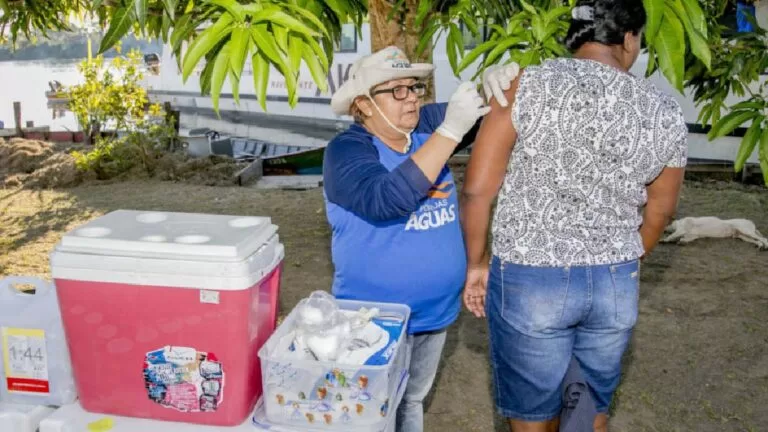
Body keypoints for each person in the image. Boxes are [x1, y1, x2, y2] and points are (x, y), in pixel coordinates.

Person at [459, 0, 688, 430]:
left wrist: (476, 263)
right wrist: (628, 259)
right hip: (613, 281)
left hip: (530, 277)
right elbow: (660, 209)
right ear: (629, 38)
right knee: (587, 410)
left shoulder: (524, 86)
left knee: (532, 415)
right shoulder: (664, 111)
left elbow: (476, 190)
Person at [323, 46, 519, 432]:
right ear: (363, 104)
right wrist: (449, 132)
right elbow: (386, 200)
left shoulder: (420, 128)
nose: (411, 97)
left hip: (433, 314)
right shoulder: (346, 151)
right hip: (373, 321)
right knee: (368, 408)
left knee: (410, 399)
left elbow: (482, 111)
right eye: (395, 90)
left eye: (413, 87)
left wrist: (495, 82)